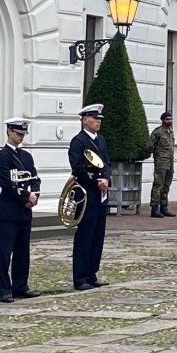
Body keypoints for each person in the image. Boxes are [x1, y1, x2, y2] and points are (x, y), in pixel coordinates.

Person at [0, 118, 42, 303]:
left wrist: (35, 194)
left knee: (23, 251)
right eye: (18, 134)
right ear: (9, 132)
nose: (20, 137)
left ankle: (20, 285)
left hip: (24, 211)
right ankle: (4, 289)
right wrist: (25, 196)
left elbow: (35, 178)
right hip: (9, 210)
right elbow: (6, 183)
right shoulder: (2, 156)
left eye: (22, 134)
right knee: (5, 252)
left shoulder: (26, 157)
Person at [69, 104, 112, 290]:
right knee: (85, 237)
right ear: (85, 119)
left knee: (97, 237)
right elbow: (77, 167)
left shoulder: (101, 140)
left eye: (99, 119)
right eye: (95, 118)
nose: (98, 122)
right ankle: (80, 277)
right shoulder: (78, 141)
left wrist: (107, 179)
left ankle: (92, 272)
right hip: (87, 194)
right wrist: (96, 181)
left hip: (101, 195)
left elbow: (107, 163)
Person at [147, 112, 176, 218]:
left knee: (166, 186)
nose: (170, 121)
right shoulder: (158, 132)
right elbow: (150, 145)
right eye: (167, 119)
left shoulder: (170, 132)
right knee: (158, 185)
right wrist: (157, 155)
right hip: (161, 163)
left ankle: (164, 207)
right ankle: (154, 208)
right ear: (163, 120)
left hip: (170, 162)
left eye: (171, 119)